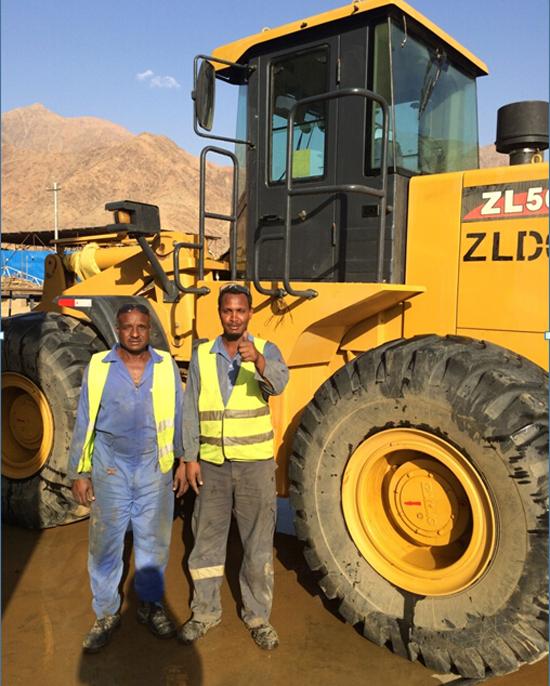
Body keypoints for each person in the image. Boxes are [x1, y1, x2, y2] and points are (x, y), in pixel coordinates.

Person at [175, 283, 289, 651]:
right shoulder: (202, 354)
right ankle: (205, 613)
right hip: (213, 465)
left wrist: (258, 360)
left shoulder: (266, 349)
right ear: (220, 313)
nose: (234, 317)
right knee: (206, 541)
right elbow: (190, 409)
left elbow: (280, 384)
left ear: (250, 314)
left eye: (241, 310)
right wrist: (189, 457)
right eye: (228, 310)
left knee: (257, 544)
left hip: (255, 465)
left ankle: (257, 617)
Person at [69, 303, 188, 653]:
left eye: (141, 327)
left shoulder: (165, 366)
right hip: (110, 469)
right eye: (127, 327)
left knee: (154, 545)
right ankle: (106, 613)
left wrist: (184, 460)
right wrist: (79, 471)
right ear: (117, 330)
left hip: (154, 468)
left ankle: (150, 606)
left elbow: (179, 415)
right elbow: (84, 420)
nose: (134, 333)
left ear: (149, 330)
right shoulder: (99, 366)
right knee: (105, 545)